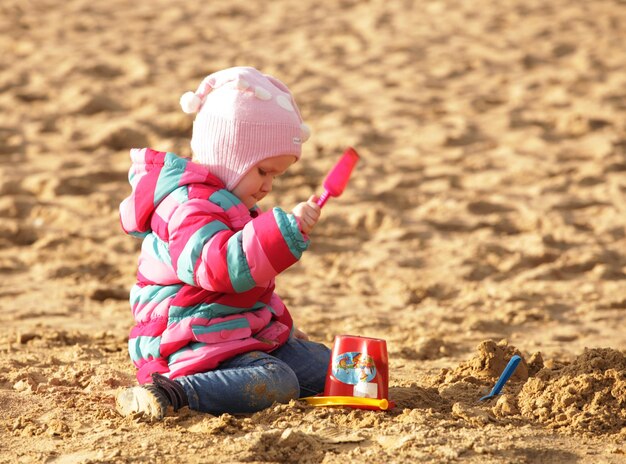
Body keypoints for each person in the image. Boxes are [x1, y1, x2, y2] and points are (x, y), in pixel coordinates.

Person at [115, 66, 330, 420]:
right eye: (262, 172)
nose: (268, 186)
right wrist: (279, 235)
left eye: (275, 175)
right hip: (188, 342)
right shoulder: (188, 207)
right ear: (229, 154)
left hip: (230, 334)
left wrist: (281, 327)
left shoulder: (232, 204)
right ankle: (171, 394)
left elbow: (253, 288)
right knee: (278, 382)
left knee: (326, 366)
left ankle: (246, 370)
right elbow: (218, 269)